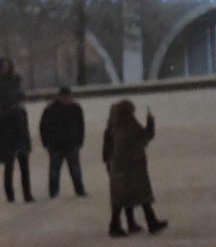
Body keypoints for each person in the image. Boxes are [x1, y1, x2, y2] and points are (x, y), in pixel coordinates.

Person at [103, 101, 167, 237]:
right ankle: (147, 223)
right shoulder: (128, 124)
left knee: (123, 198)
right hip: (131, 167)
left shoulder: (113, 125)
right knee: (138, 196)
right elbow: (145, 136)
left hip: (118, 167)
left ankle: (129, 224)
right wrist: (150, 121)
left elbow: (109, 146)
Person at [39, 86, 88, 198]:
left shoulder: (76, 108)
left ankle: (79, 190)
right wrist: (46, 142)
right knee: (54, 171)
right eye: (64, 97)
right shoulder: (50, 109)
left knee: (75, 170)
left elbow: (81, 126)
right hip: (56, 145)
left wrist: (80, 141)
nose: (66, 99)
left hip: (71, 144)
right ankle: (53, 192)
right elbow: (43, 127)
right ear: (59, 97)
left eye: (68, 97)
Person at [0, 89, 34, 203]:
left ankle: (13, 195)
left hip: (14, 145)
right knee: (19, 171)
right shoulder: (13, 113)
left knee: (12, 171)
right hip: (14, 145)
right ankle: (25, 195)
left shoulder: (13, 112)